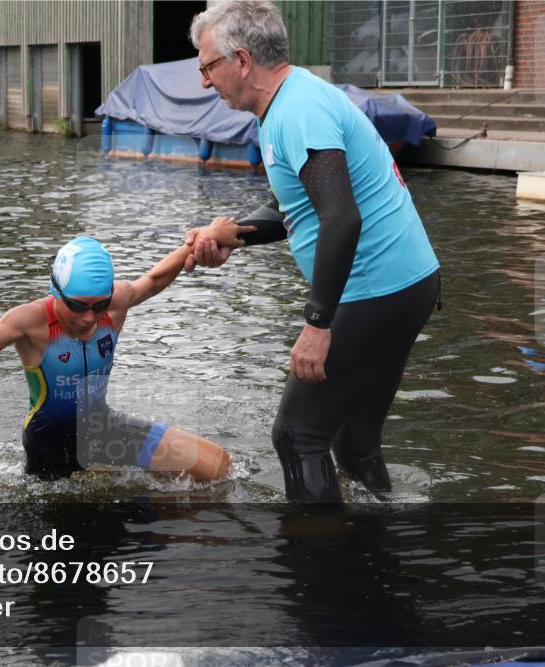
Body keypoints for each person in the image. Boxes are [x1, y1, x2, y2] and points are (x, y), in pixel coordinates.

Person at [185, 1, 441, 504]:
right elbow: (297, 209)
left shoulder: (297, 111)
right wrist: (234, 234)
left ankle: (317, 567)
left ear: (241, 60)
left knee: (297, 436)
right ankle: (375, 555)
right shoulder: (291, 99)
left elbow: (341, 218)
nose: (203, 82)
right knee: (354, 441)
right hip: (408, 284)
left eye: (207, 66)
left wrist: (317, 325)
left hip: (375, 290)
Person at [0, 237, 231, 481]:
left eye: (99, 305)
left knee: (217, 467)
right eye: (77, 306)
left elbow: (152, 280)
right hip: (50, 446)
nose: (89, 318)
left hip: (103, 429)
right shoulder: (30, 321)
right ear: (56, 291)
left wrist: (194, 245)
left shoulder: (116, 305)